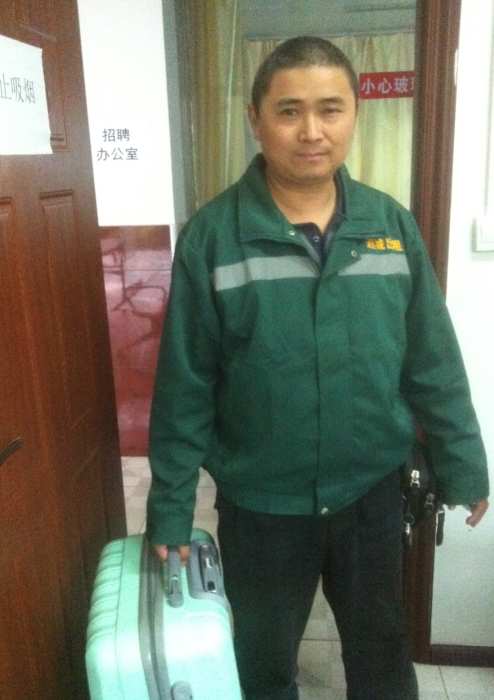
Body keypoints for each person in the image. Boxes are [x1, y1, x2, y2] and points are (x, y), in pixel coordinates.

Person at [146, 36, 489, 700]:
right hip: (262, 505)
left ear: (355, 114)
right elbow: (185, 384)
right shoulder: (214, 238)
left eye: (330, 109)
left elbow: (432, 359)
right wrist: (170, 507)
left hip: (371, 493)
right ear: (255, 119)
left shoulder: (389, 227)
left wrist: (464, 462)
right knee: (262, 659)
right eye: (289, 111)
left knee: (382, 650)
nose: (312, 131)